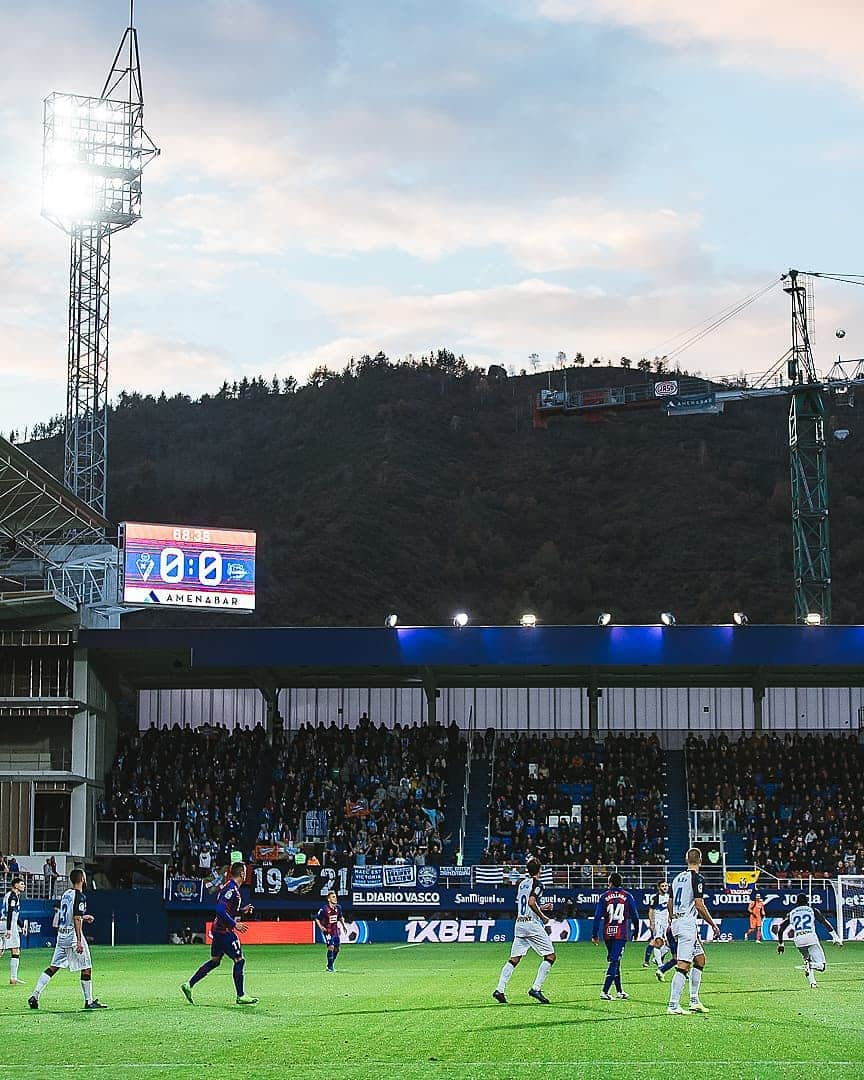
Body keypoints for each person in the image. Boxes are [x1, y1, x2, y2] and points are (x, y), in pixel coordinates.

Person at [28, 868, 107, 1010]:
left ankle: (35, 995)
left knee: (53, 967)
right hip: (72, 936)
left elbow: (70, 914)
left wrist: (84, 916)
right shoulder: (80, 896)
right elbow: (76, 918)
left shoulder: (66, 894)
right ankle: (88, 1001)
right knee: (86, 968)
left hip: (62, 935)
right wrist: (78, 940)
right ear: (82, 879)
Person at [181, 862, 257, 1006]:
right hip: (224, 931)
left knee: (215, 961)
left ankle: (189, 985)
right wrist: (235, 924)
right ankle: (240, 995)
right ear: (242, 873)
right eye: (245, 872)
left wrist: (242, 910)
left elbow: (227, 910)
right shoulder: (232, 890)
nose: (246, 874)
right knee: (239, 960)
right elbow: (220, 911)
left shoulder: (229, 887)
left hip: (218, 930)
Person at [492, 856, 555, 1005]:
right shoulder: (538, 883)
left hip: (519, 923)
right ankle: (536, 988)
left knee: (514, 959)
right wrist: (544, 916)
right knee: (550, 956)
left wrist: (542, 907)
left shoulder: (522, 884)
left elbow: (527, 904)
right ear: (540, 870)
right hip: (531, 925)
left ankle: (499, 990)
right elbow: (531, 902)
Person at [667, 847, 720, 1015]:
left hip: (677, 922)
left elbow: (670, 902)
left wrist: (673, 918)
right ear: (701, 860)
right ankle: (673, 1005)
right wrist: (712, 924)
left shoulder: (676, 879)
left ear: (686, 860)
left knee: (700, 959)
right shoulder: (697, 878)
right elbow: (699, 904)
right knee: (683, 965)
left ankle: (694, 1000)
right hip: (686, 925)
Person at [775, 893, 842, 988]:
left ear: (796, 902)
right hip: (811, 938)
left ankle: (813, 983)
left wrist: (781, 944)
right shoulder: (812, 910)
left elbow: (781, 928)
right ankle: (809, 965)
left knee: (807, 959)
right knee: (821, 966)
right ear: (807, 901)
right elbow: (824, 922)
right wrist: (835, 937)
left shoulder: (791, 913)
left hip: (798, 940)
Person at [592, 872, 640, 999]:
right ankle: (605, 991)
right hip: (621, 933)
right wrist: (636, 931)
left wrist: (594, 934)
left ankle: (619, 991)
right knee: (614, 960)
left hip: (608, 933)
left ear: (610, 883)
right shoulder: (627, 896)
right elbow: (635, 916)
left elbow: (597, 916)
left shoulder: (604, 896)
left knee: (615, 960)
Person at [316, 891, 348, 972]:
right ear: (329, 899)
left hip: (335, 931)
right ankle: (330, 967)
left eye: (335, 896)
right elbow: (317, 919)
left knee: (337, 949)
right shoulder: (324, 909)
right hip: (328, 931)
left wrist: (344, 926)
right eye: (333, 897)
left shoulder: (338, 908)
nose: (335, 898)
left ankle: (330, 964)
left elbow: (340, 917)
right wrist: (321, 927)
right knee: (331, 947)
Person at [2, 877, 26, 984]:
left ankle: (14, 978)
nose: (23, 886)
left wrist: (22, 925)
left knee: (1, 951)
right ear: (15, 885)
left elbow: (15, 914)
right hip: (9, 925)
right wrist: (8, 929)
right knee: (15, 950)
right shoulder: (13, 897)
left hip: (3, 923)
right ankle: (13, 978)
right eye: (21, 884)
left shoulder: (9, 895)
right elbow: (10, 913)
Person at [645, 880, 671, 969]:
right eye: (663, 886)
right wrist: (651, 922)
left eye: (666, 886)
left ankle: (657, 959)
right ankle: (660, 964)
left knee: (670, 943)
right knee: (658, 942)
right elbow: (651, 911)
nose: (665, 887)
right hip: (658, 922)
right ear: (659, 887)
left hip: (667, 922)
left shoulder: (669, 897)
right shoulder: (655, 898)